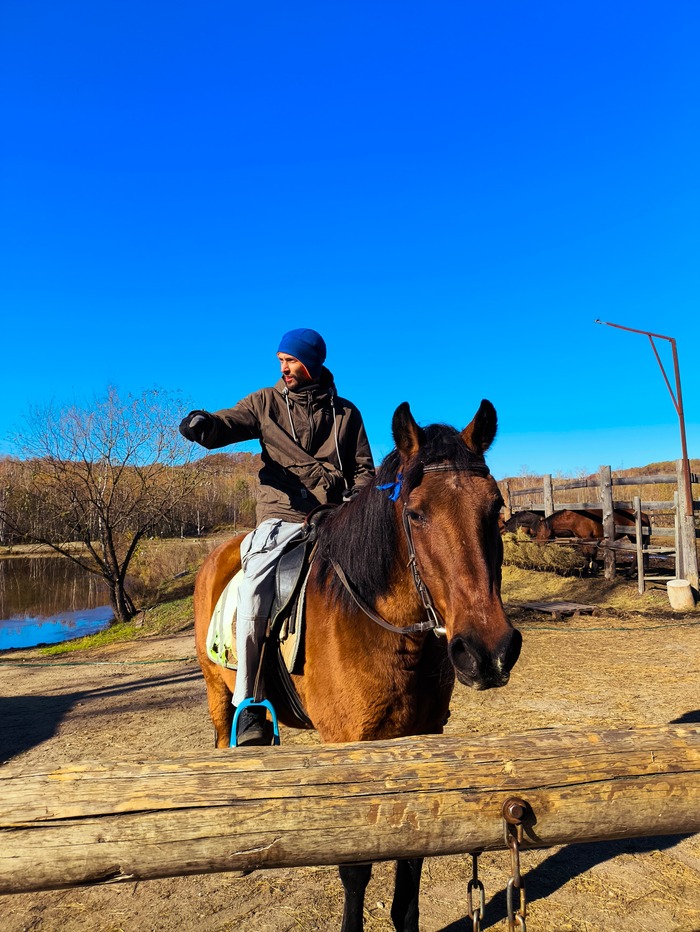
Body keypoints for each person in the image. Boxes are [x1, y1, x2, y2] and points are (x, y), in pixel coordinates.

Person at [179, 328, 375, 745]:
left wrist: (357, 505)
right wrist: (204, 425)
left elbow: (364, 471)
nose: (283, 367)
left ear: (313, 362)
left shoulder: (347, 414)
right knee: (254, 587)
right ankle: (249, 702)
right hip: (282, 517)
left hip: (337, 517)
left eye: (291, 360)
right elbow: (229, 423)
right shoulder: (264, 403)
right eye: (280, 360)